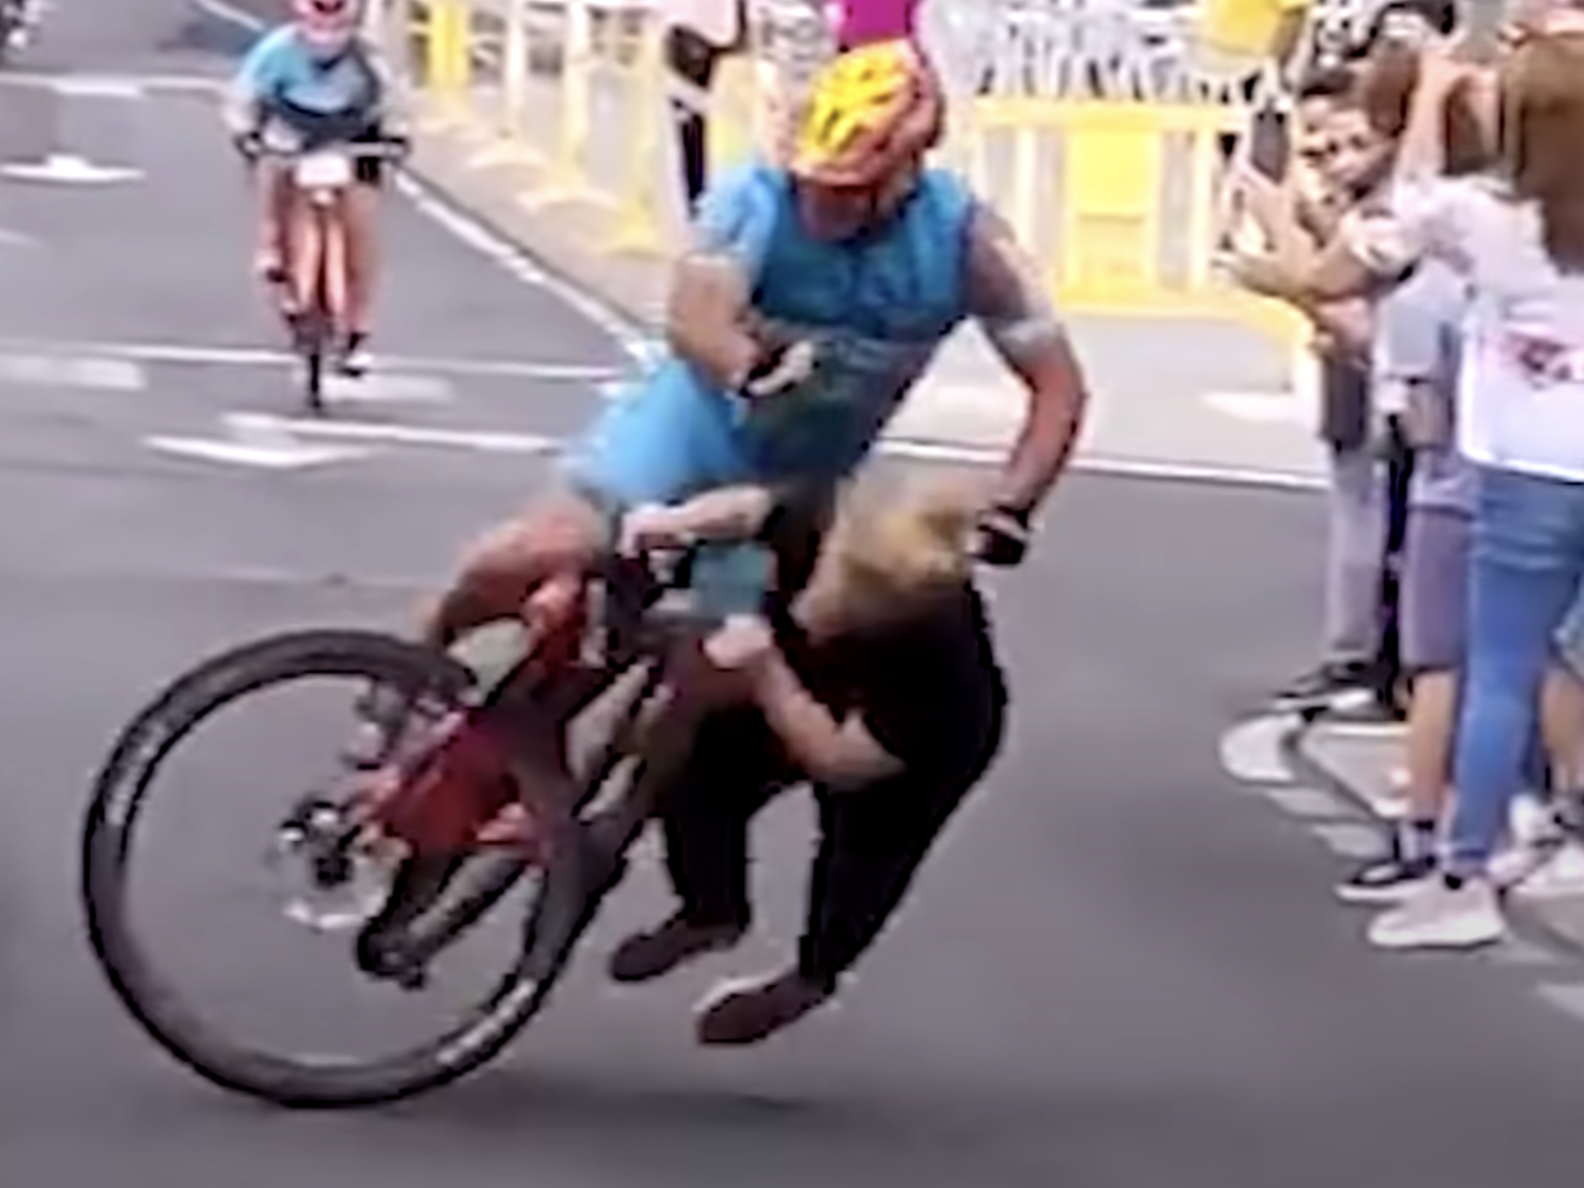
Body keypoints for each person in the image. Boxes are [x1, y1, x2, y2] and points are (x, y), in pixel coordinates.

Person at [397, 38, 1087, 860]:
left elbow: (1059, 390)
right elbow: (695, 316)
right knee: (532, 551)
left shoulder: (970, 243)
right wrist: (748, 365)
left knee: (706, 673)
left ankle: (599, 834)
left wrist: (1013, 507)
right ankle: (404, 677)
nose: (819, 206)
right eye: (812, 185)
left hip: (793, 484)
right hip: (688, 431)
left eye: (846, 193)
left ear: (905, 176)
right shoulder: (754, 195)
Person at [1230, 30, 1584, 948]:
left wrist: (1428, 98)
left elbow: (1366, 245)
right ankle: (1567, 828)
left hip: (1525, 467)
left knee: (1501, 667)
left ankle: (1463, 875)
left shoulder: (1479, 219)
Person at [605, 472, 1008, 1046]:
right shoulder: (835, 527)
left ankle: (809, 978)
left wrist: (766, 673)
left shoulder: (934, 671)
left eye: (863, 606)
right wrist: (671, 524)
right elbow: (751, 508)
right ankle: (710, 911)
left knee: (864, 855)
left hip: (906, 744)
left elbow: (840, 762)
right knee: (702, 768)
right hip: (819, 668)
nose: (838, 603)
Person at [223, 0, 402, 377]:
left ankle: (356, 328)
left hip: (351, 136)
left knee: (362, 228)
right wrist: (245, 133)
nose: (326, 40)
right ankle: (273, 242)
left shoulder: (368, 57)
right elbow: (243, 97)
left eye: (336, 30)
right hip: (291, 133)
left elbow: (394, 101)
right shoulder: (277, 50)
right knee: (273, 169)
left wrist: (397, 136)